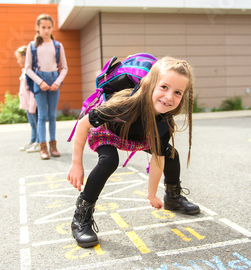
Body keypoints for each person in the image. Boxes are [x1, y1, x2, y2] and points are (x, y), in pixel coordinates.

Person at [67, 57, 200, 248]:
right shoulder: (124, 103)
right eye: (164, 87)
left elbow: (158, 158)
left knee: (171, 154)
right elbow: (83, 124)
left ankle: (173, 197)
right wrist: (76, 164)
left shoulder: (164, 121)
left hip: (138, 136)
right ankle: (81, 218)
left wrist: (152, 194)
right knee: (109, 160)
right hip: (110, 131)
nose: (169, 97)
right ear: (150, 83)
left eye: (177, 92)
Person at [25, 14, 68, 160]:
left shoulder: (58, 46)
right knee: (42, 116)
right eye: (43, 27)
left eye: (49, 27)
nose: (46, 30)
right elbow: (28, 69)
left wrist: (57, 82)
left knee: (52, 116)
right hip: (40, 82)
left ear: (52, 28)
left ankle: (53, 146)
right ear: (37, 27)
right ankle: (42, 147)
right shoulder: (32, 46)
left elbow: (64, 68)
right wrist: (40, 82)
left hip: (54, 80)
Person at [16, 45, 40, 153]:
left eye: (18, 58)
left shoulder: (30, 72)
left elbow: (32, 90)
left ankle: (39, 142)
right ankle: (33, 140)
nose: (18, 61)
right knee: (32, 124)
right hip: (27, 104)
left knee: (36, 123)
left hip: (32, 104)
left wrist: (32, 105)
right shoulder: (24, 70)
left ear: (25, 57)